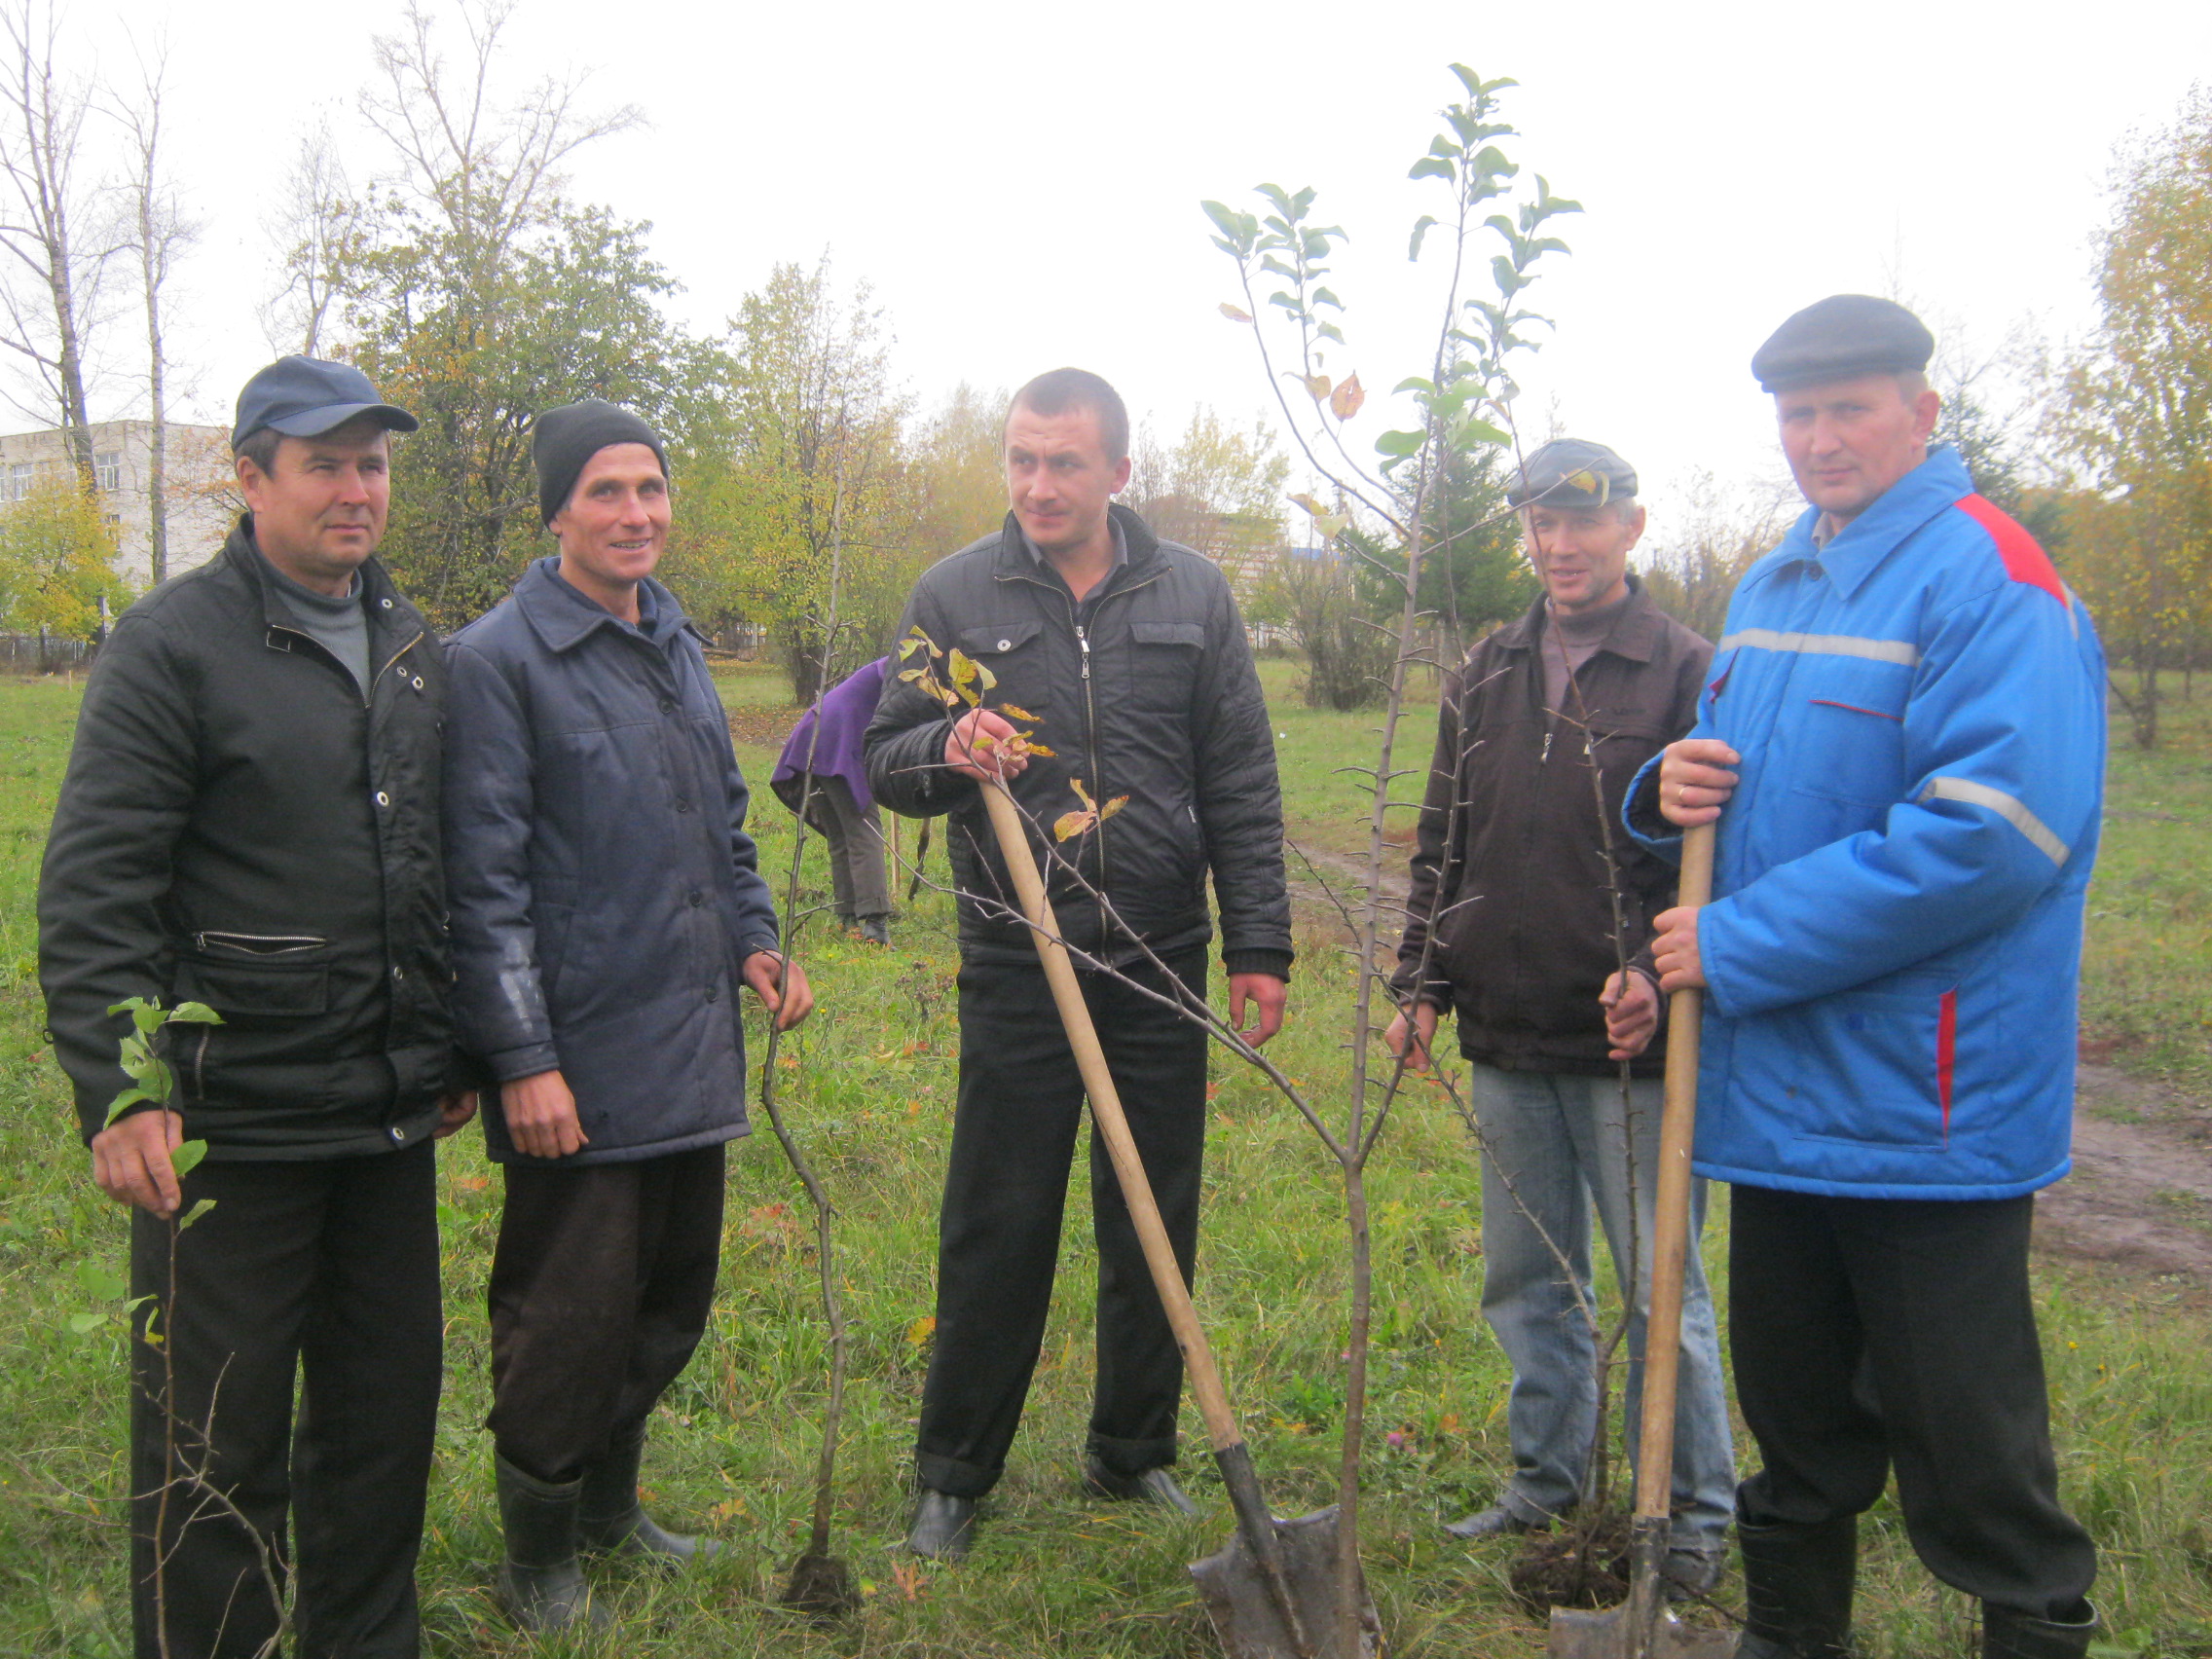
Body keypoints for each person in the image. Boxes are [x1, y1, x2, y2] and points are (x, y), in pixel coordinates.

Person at [1635, 295, 2104, 1659]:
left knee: (1969, 1444)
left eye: (1851, 409)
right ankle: (1793, 1641)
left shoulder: (1992, 580)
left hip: (1923, 1102)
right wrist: (1663, 789)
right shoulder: (1778, 579)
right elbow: (1742, 791)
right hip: (1780, 1094)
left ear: (1923, 414)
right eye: (1798, 415)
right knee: (1801, 1423)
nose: (1821, 439)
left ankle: (2030, 1626)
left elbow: (1990, 836)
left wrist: (1735, 947)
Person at [38, 356, 466, 1658]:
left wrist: (448, 1041)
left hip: (383, 1115)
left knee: (382, 1414)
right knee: (211, 1434)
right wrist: (123, 1094)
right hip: (233, 1129)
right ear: (250, 477)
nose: (357, 489)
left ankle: (361, 1638)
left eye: (374, 463)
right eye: (326, 463)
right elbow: (98, 884)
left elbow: (428, 860)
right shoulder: (173, 648)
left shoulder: (408, 646)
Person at [865, 367, 1292, 1560]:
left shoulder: (1194, 595)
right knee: (997, 1211)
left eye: (1063, 462)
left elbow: (1242, 781)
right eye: (1020, 459)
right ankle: (954, 1472)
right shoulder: (954, 594)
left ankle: (1132, 1447)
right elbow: (887, 763)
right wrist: (949, 743)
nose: (1038, 484)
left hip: (1160, 956)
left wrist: (1258, 940)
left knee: (1153, 1207)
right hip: (1019, 959)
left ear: (1117, 471)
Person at [442, 400, 815, 1630]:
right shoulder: (498, 662)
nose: (634, 514)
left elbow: (724, 819)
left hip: (687, 1037)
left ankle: (610, 1512)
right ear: (556, 510)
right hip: (580, 1063)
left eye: (650, 489)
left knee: (668, 1299)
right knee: (566, 1315)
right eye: (605, 491)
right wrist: (523, 1060)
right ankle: (537, 1554)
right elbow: (479, 886)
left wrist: (758, 940)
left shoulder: (677, 642)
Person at [1384, 438, 1734, 1593]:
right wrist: (1420, 986)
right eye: (1538, 523)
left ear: (1631, 526)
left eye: (1582, 522)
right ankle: (1548, 1484)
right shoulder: (1488, 665)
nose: (1558, 545)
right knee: (1527, 1278)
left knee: (1656, 1287)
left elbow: (1714, 853)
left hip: (1626, 1042)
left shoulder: (1685, 670)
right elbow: (1443, 835)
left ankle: (1688, 1515)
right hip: (1501, 1024)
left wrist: (1649, 969)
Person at [772, 656, 894, 943]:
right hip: (837, 735)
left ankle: (849, 914)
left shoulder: (905, 662)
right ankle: (874, 921)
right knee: (864, 828)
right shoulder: (904, 664)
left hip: (815, 732)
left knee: (842, 832)